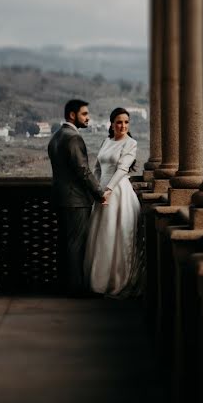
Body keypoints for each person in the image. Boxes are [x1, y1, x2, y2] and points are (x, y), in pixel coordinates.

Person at [48, 99, 103, 297]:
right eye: (84, 114)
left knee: (64, 243)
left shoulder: (56, 137)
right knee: (75, 245)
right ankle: (75, 290)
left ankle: (64, 286)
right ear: (72, 115)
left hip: (60, 198)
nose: (88, 118)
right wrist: (100, 192)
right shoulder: (73, 138)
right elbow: (83, 171)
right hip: (76, 201)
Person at [84, 107, 142, 297]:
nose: (123, 125)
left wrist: (108, 191)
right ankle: (99, 281)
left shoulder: (131, 143)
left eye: (126, 122)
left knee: (116, 235)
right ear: (111, 124)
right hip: (101, 192)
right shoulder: (106, 141)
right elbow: (97, 168)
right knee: (102, 235)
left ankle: (116, 281)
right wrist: (96, 189)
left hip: (118, 193)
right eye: (119, 122)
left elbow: (123, 169)